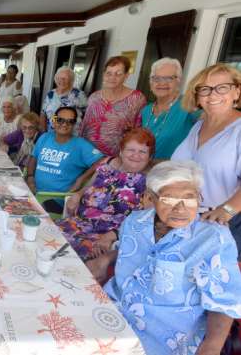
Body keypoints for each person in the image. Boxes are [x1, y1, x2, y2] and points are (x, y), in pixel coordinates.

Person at [91, 160, 241, 355]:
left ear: (199, 198)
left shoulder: (213, 238)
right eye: (168, 199)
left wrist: (211, 346)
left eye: (189, 198)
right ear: (150, 198)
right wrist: (107, 258)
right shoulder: (135, 221)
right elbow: (136, 251)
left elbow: (224, 300)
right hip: (110, 311)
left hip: (161, 337)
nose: (180, 208)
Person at [172, 63, 241, 256]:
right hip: (188, 219)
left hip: (225, 225)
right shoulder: (198, 126)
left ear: (237, 92)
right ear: (197, 95)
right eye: (205, 89)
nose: (213, 95)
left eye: (222, 88)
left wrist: (227, 210)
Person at [56, 128, 154, 260]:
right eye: (131, 150)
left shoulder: (150, 182)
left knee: (63, 257)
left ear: (149, 156)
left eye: (142, 151)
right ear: (121, 151)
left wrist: (112, 236)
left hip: (102, 238)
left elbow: (145, 220)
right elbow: (87, 187)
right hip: (76, 223)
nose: (136, 156)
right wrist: (77, 195)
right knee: (43, 236)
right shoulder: (107, 163)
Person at [27, 107, 104, 214]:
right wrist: (30, 177)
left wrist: (81, 179)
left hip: (56, 200)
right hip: (33, 191)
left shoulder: (80, 144)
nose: (64, 124)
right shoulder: (45, 137)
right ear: (54, 120)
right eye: (60, 120)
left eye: (70, 121)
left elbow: (103, 161)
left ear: (74, 125)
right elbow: (33, 158)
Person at [80, 56, 147, 156]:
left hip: (115, 157)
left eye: (118, 74)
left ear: (126, 76)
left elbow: (139, 130)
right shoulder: (94, 97)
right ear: (104, 75)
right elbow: (84, 126)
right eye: (109, 73)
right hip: (87, 154)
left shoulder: (137, 99)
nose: (112, 77)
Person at [141, 58, 200, 159]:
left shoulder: (189, 105)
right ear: (151, 83)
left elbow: (213, 122)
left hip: (172, 172)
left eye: (168, 78)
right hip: (144, 170)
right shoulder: (146, 110)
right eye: (156, 78)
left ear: (178, 81)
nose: (162, 83)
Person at [40, 67, 87, 132]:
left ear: (71, 80)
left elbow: (86, 116)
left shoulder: (79, 95)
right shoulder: (51, 94)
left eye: (65, 78)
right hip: (51, 133)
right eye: (59, 78)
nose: (62, 81)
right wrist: (44, 133)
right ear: (56, 79)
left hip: (71, 134)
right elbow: (43, 115)